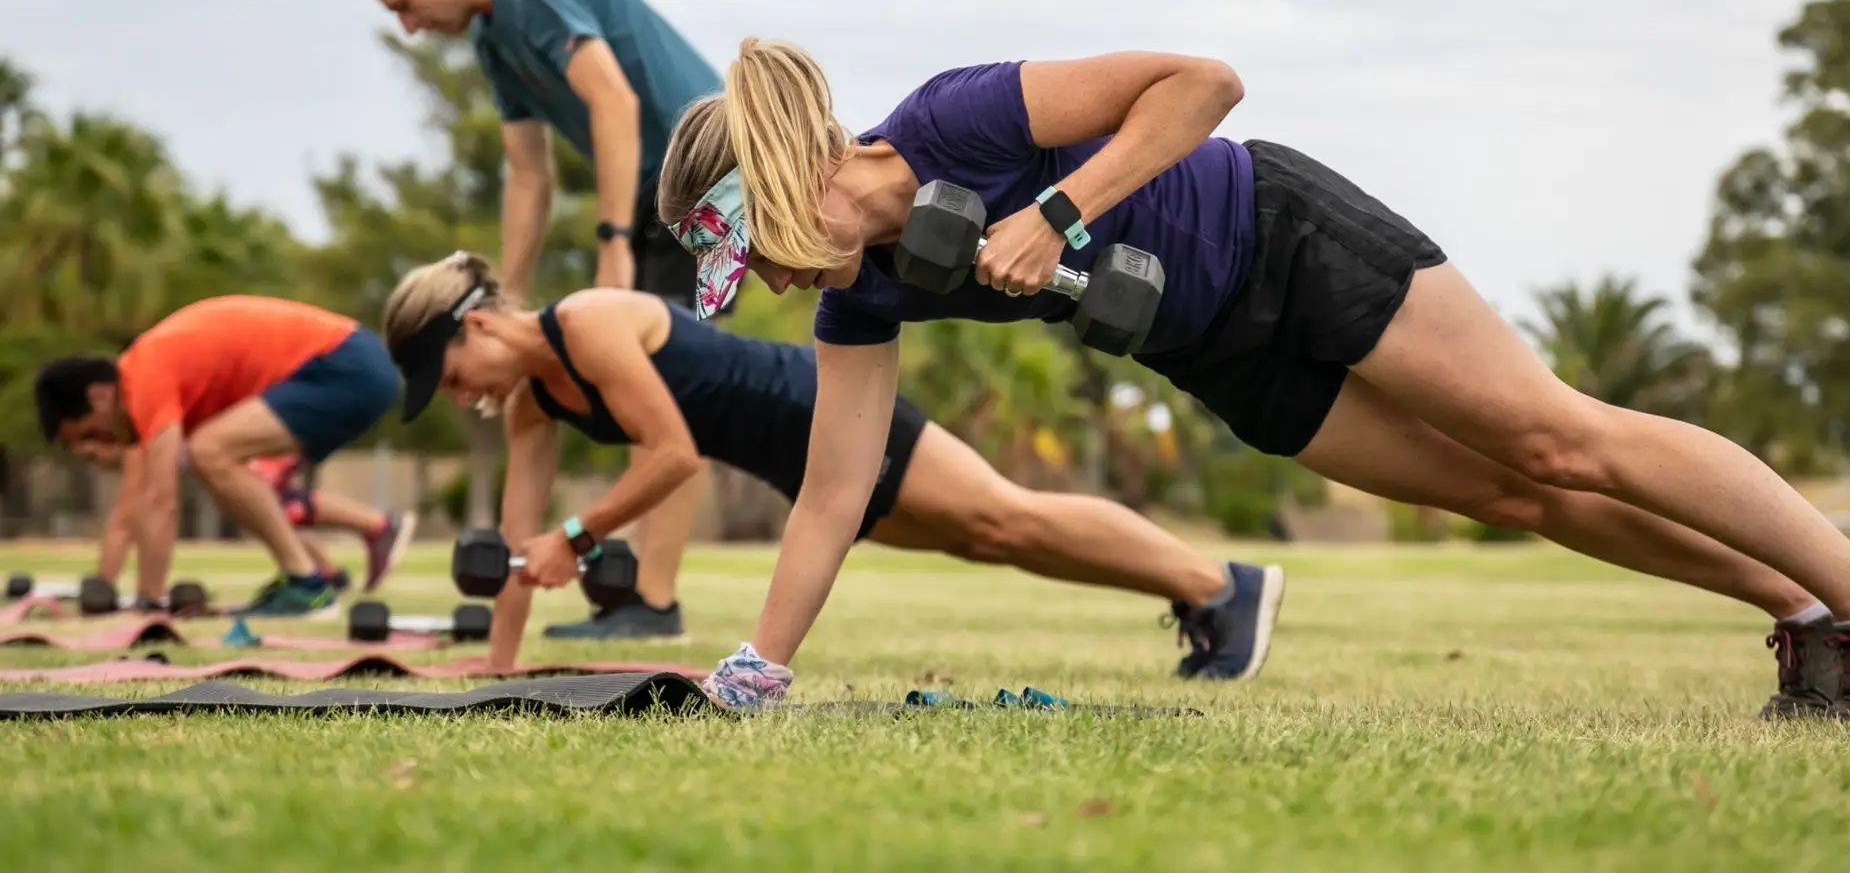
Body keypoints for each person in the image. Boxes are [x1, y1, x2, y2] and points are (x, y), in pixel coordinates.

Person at [653, 38, 1850, 719]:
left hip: (1285, 237)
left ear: (770, 188)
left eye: (748, 256)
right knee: (1517, 495)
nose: (760, 286)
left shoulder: (955, 116)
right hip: (1214, 349)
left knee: (1555, 437)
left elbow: (1204, 81)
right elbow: (835, 492)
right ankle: (1812, 619)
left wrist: (1057, 211)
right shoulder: (868, 288)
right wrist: (761, 665)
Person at [378, 251, 1285, 682]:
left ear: (479, 325)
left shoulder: (587, 322)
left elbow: (673, 457)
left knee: (1004, 514)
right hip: (792, 460)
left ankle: (1220, 583)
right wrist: (497, 675)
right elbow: (512, 545)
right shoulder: (534, 402)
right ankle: (1207, 596)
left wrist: (576, 535)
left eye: (451, 373)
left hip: (823, 407)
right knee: (989, 538)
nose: (459, 394)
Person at [349, 0, 731, 642]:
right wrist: (500, 305)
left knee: (667, 396)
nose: (408, 25)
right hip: (658, 192)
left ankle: (652, 604)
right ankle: (644, 602)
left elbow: (613, 101)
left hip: (702, 175)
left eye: (403, 4)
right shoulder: (494, 37)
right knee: (643, 395)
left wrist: (613, 240)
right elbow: (528, 176)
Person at [33, 295, 411, 615]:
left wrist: (148, 603)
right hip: (350, 365)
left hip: (344, 365)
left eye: (90, 434)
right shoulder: (152, 378)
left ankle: (307, 583)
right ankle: (315, 575)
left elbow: (160, 502)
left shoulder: (143, 379)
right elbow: (145, 496)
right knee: (242, 481)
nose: (99, 445)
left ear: (99, 396)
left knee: (211, 452)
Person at [249, 453, 417, 593]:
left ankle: (377, 525)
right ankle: (327, 575)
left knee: (262, 496)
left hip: (273, 418)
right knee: (263, 500)